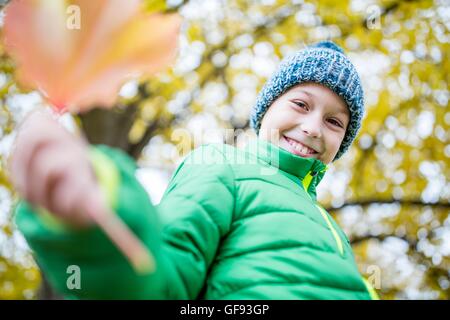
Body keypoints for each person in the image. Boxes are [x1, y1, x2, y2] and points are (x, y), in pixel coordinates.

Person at [10, 41, 379, 299]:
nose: (314, 127)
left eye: (334, 122)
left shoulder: (330, 226)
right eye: (301, 104)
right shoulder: (222, 165)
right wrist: (98, 217)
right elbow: (162, 275)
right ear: (267, 108)